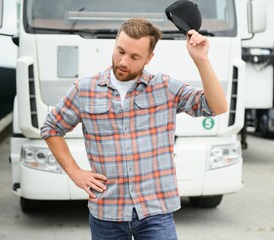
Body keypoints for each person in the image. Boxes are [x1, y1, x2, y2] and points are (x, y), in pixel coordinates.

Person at [41, 18, 227, 240]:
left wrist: (201, 60)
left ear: (149, 58)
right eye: (120, 51)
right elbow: (51, 128)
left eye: (134, 57)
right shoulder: (85, 90)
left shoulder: (164, 87)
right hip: (107, 213)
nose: (123, 61)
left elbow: (216, 107)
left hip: (155, 213)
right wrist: (75, 172)